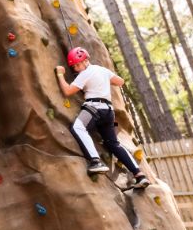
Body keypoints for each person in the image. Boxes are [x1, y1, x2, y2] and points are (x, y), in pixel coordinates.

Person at [56, 47, 150, 189]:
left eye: (78, 64)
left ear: (86, 60)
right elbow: (120, 81)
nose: (76, 68)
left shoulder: (85, 74)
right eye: (74, 66)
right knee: (113, 144)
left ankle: (95, 161)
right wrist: (102, 80)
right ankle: (139, 175)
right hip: (108, 111)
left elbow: (68, 91)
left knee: (78, 127)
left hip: (94, 108)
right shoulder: (101, 70)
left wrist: (60, 74)